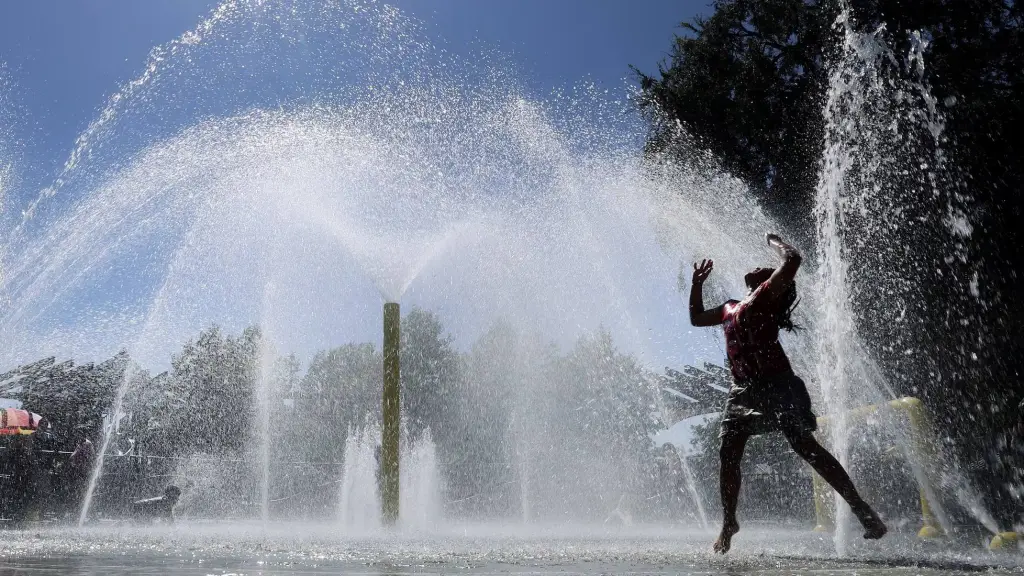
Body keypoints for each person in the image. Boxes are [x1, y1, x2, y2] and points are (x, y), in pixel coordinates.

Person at [689, 233, 886, 553]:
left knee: (805, 446)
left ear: (774, 284)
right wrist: (697, 284)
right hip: (742, 391)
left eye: (767, 268)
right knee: (728, 452)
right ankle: (729, 522)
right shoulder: (729, 308)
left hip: (779, 385)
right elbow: (696, 318)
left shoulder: (767, 296)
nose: (759, 267)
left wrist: (773, 239)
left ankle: (862, 510)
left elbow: (792, 259)